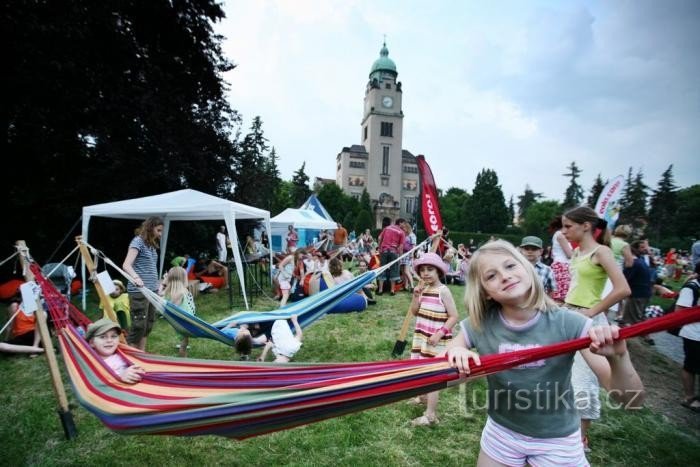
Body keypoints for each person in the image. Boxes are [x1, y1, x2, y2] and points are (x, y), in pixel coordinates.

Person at [446, 240, 643, 466]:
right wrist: (458, 350)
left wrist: (619, 358)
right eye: (491, 276)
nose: (504, 276)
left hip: (558, 439)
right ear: (485, 293)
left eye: (510, 266)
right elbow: (449, 350)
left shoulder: (570, 323)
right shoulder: (479, 324)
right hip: (502, 432)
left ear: (528, 269)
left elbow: (632, 401)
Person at [561, 206, 631, 451]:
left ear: (586, 226)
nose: (564, 231)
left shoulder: (602, 252)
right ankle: (566, 431)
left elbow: (623, 288)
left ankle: (581, 439)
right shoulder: (578, 252)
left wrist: (591, 311)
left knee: (583, 379)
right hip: (570, 315)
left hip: (589, 321)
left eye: (568, 226)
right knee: (565, 376)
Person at [408, 252, 459, 426]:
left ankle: (430, 415)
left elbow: (454, 316)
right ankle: (422, 397)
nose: (426, 273)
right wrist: (415, 296)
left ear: (439, 271)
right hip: (422, 337)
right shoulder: (423, 290)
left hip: (436, 340)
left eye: (430, 269)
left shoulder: (443, 291)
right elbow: (415, 312)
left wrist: (439, 333)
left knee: (433, 376)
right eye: (422, 270)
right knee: (421, 370)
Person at [122, 216, 163, 351]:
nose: (160, 234)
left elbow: (150, 268)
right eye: (158, 230)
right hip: (139, 291)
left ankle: (142, 353)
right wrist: (136, 277)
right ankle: (130, 356)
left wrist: (158, 285)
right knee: (139, 325)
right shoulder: (137, 242)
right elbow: (126, 265)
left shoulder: (151, 246)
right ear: (150, 228)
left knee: (148, 324)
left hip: (152, 291)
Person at [86, 318, 144, 384]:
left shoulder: (123, 355)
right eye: (102, 337)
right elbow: (96, 383)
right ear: (92, 343)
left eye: (113, 336)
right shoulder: (91, 362)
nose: (109, 340)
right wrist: (119, 377)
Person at [677, 262, 700, 413]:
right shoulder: (691, 287)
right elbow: (679, 312)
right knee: (691, 366)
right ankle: (689, 396)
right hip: (693, 334)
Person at [621, 240, 653, 337]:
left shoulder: (633, 264)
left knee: (632, 320)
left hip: (637, 294)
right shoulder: (641, 262)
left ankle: (636, 341)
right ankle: (645, 336)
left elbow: (624, 279)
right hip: (644, 293)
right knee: (639, 317)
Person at [162, 266, 196, 357]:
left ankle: (183, 355)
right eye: (185, 277)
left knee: (185, 340)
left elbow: (161, 295)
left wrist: (164, 282)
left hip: (186, 320)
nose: (187, 278)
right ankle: (183, 358)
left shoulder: (178, 291)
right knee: (184, 342)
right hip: (184, 322)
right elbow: (173, 308)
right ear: (182, 279)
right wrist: (165, 281)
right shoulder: (179, 292)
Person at [377, 218, 406, 296]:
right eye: (404, 223)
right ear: (400, 223)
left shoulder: (387, 228)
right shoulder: (401, 232)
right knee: (394, 270)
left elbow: (379, 238)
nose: (404, 225)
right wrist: (400, 256)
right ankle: (392, 290)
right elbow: (401, 246)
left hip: (384, 250)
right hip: (394, 252)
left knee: (382, 269)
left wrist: (379, 248)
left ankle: (380, 290)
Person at [548, 215, 573, 302]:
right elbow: (569, 254)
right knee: (562, 297)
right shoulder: (560, 235)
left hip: (560, 266)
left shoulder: (558, 234)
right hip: (562, 267)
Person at [400, 222, 417, 291]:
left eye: (403, 228)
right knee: (403, 271)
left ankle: (412, 286)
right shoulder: (404, 235)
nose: (402, 229)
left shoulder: (412, 235)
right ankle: (405, 286)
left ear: (407, 228)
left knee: (406, 271)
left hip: (408, 254)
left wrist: (412, 254)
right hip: (402, 254)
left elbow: (414, 246)